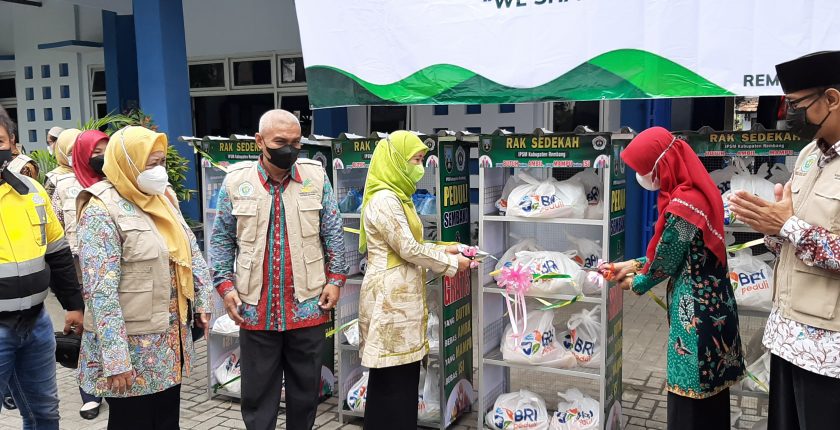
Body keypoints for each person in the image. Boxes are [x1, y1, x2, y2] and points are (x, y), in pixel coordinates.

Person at [210, 109, 348, 430]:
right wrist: (225, 287)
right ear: (260, 141)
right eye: (280, 142)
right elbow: (221, 240)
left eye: (296, 142)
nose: (289, 149)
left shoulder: (315, 177)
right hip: (255, 310)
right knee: (257, 397)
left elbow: (334, 232)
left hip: (309, 304)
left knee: (304, 395)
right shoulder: (236, 182)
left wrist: (337, 279)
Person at [729, 50, 840, 430]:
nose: (788, 114)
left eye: (796, 105)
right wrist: (772, 226)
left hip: (829, 352)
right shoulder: (810, 154)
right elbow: (793, 238)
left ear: (832, 99)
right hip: (787, 335)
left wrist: (789, 225)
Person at [605, 127, 744, 430]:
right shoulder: (700, 192)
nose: (641, 177)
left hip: (695, 318)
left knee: (690, 397)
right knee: (713, 395)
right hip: (718, 306)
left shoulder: (683, 205)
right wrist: (631, 263)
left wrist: (636, 282)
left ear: (661, 165)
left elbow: (666, 261)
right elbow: (680, 252)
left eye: (643, 169)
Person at [75, 126, 212, 430]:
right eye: (151, 164)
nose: (159, 171)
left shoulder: (161, 199)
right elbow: (101, 294)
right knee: (132, 423)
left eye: (162, 162)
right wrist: (115, 360)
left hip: (168, 343)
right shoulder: (100, 211)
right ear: (128, 162)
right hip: (132, 348)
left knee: (166, 423)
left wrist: (203, 300)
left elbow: (190, 251)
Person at [357, 130, 473, 430]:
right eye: (415, 160)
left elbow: (413, 243)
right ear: (395, 160)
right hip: (389, 301)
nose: (419, 167)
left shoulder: (401, 198)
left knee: (403, 380)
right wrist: (452, 263)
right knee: (391, 382)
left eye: (422, 160)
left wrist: (448, 248)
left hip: (402, 299)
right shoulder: (384, 200)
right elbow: (407, 248)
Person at [0, 100, 85, 429]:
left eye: (0, 142)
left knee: (44, 413)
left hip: (36, 326)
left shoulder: (33, 192)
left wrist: (73, 304)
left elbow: (58, 252)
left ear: (13, 145)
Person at [51, 129, 109, 419]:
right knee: (87, 331)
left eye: (105, 150)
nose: (100, 158)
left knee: (111, 329)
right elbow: (53, 232)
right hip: (77, 271)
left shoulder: (118, 181)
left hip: (112, 273)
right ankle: (90, 392)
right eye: (94, 152)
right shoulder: (59, 183)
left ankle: (116, 382)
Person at [45, 128, 81, 196]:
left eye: (80, 149)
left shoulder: (95, 173)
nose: (75, 154)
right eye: (70, 151)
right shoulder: (54, 178)